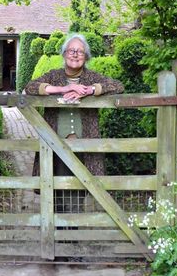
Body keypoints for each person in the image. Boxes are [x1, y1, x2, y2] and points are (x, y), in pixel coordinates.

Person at [24, 33, 124, 213]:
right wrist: (64, 89)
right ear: (64, 54)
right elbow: (30, 87)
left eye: (80, 51)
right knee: (56, 188)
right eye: (71, 50)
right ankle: (59, 232)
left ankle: (73, 234)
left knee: (79, 188)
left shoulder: (91, 77)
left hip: (84, 146)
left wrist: (92, 90)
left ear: (86, 56)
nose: (75, 54)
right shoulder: (54, 76)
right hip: (55, 143)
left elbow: (117, 85)